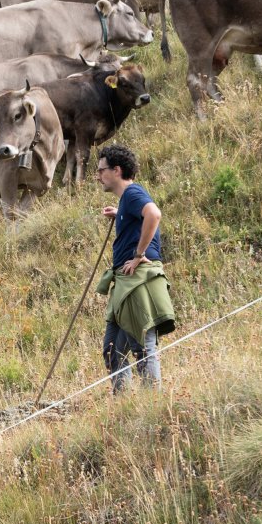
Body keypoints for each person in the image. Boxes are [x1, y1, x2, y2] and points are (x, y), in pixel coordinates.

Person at [95, 144, 175, 393]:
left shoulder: (132, 193)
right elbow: (142, 217)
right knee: (112, 350)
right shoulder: (127, 202)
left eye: (101, 171)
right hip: (125, 283)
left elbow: (153, 213)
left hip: (137, 280)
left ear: (116, 170)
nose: (98, 176)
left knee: (142, 346)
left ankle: (153, 405)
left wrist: (139, 254)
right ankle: (125, 406)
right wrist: (121, 214)